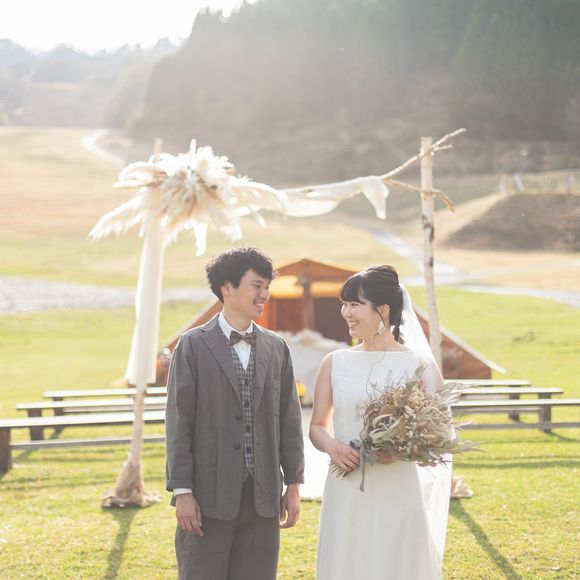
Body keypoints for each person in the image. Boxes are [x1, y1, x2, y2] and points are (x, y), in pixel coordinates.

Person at [165, 246, 305, 580]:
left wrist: (294, 483)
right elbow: (179, 423)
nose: (264, 294)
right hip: (208, 498)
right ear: (227, 287)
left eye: (267, 286)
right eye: (257, 285)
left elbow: (289, 420)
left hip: (264, 498)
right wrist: (183, 491)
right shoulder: (192, 345)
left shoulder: (276, 347)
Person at [310, 265, 452, 580]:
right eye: (344, 304)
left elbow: (439, 430)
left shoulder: (418, 364)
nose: (346, 312)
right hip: (347, 486)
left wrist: (401, 450)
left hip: (398, 484)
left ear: (383, 310)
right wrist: (333, 447)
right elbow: (317, 426)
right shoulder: (334, 362)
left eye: (354, 304)